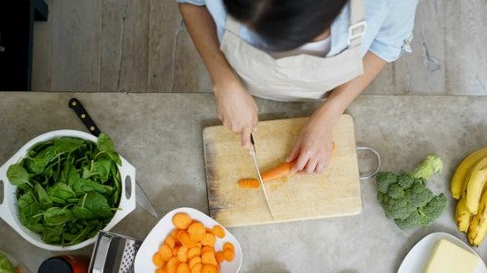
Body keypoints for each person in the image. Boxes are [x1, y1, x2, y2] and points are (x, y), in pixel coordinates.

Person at [177, 0, 419, 174]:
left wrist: (330, 113)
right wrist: (223, 79)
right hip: (236, 76)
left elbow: (385, 45)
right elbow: (191, 3)